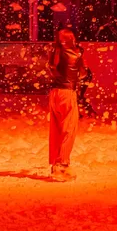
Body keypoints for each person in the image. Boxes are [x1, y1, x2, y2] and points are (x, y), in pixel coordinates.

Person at [47, 27, 87, 181]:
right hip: (67, 93)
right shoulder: (76, 52)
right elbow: (83, 73)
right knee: (69, 129)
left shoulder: (54, 51)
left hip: (54, 93)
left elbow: (53, 69)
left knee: (56, 130)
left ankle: (54, 165)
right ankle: (62, 165)